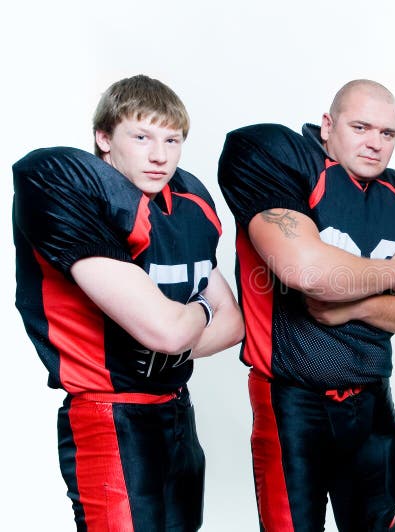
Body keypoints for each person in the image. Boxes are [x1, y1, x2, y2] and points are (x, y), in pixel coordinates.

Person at [12, 74, 244, 531]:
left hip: (178, 408)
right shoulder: (73, 191)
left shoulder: (190, 202)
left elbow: (235, 324)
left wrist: (169, 337)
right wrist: (197, 311)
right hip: (108, 413)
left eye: (171, 139)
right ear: (104, 137)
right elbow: (174, 329)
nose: (160, 155)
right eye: (141, 136)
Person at [217, 79, 395, 532]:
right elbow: (308, 272)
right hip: (292, 396)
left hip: (373, 397)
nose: (375, 144)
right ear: (327, 124)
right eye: (361, 127)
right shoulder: (281, 157)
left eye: (387, 133)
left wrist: (351, 308)